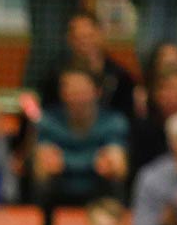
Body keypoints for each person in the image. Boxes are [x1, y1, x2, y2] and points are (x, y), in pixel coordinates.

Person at [33, 67, 130, 209]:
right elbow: (43, 166)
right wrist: (93, 161)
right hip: (57, 197)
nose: (76, 98)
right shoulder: (48, 121)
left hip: (101, 196)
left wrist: (65, 161)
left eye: (82, 92)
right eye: (70, 92)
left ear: (97, 91)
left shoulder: (114, 122)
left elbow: (118, 166)